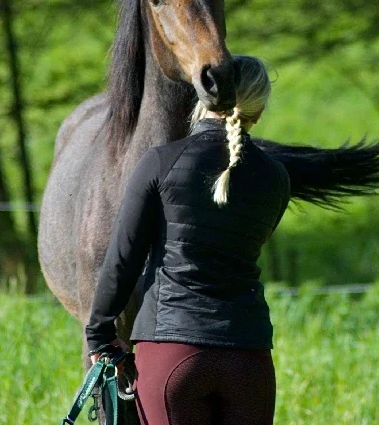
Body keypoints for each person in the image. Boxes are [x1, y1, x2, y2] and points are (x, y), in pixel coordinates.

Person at [85, 55, 290, 425]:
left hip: (171, 351)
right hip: (248, 355)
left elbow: (123, 258)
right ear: (258, 112)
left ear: (203, 97)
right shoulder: (276, 178)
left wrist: (99, 333)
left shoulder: (160, 162)